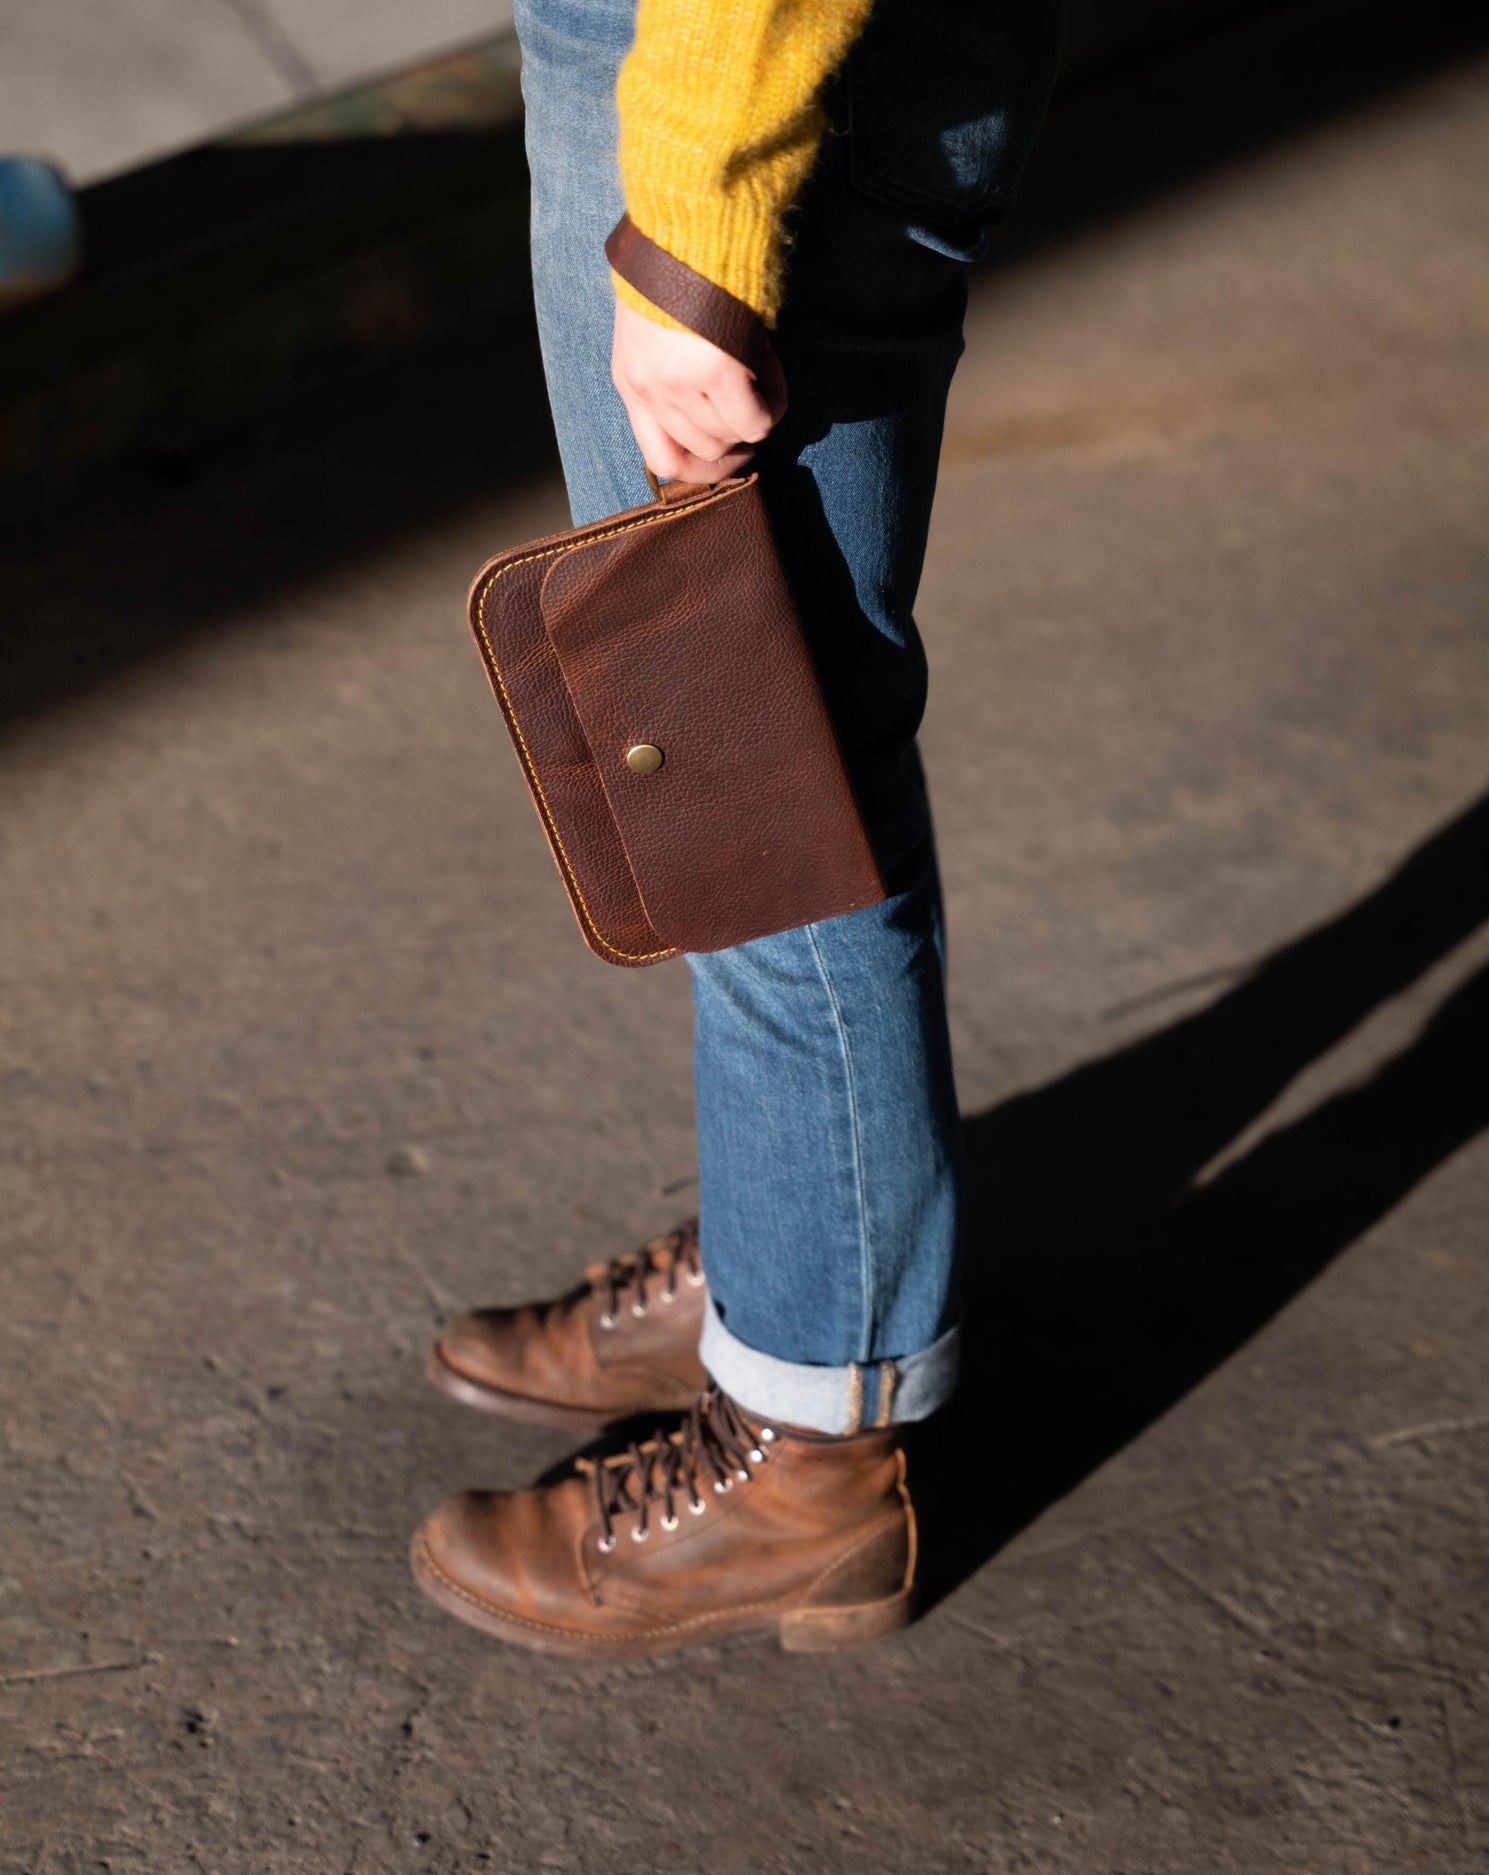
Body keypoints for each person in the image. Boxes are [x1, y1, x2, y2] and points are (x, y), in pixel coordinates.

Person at [410, 0, 1064, 1655]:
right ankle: (801, 1246)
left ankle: (809, 1448)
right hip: (721, 66)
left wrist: (697, 222)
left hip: (752, 89)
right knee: (756, 760)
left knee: (758, 786)